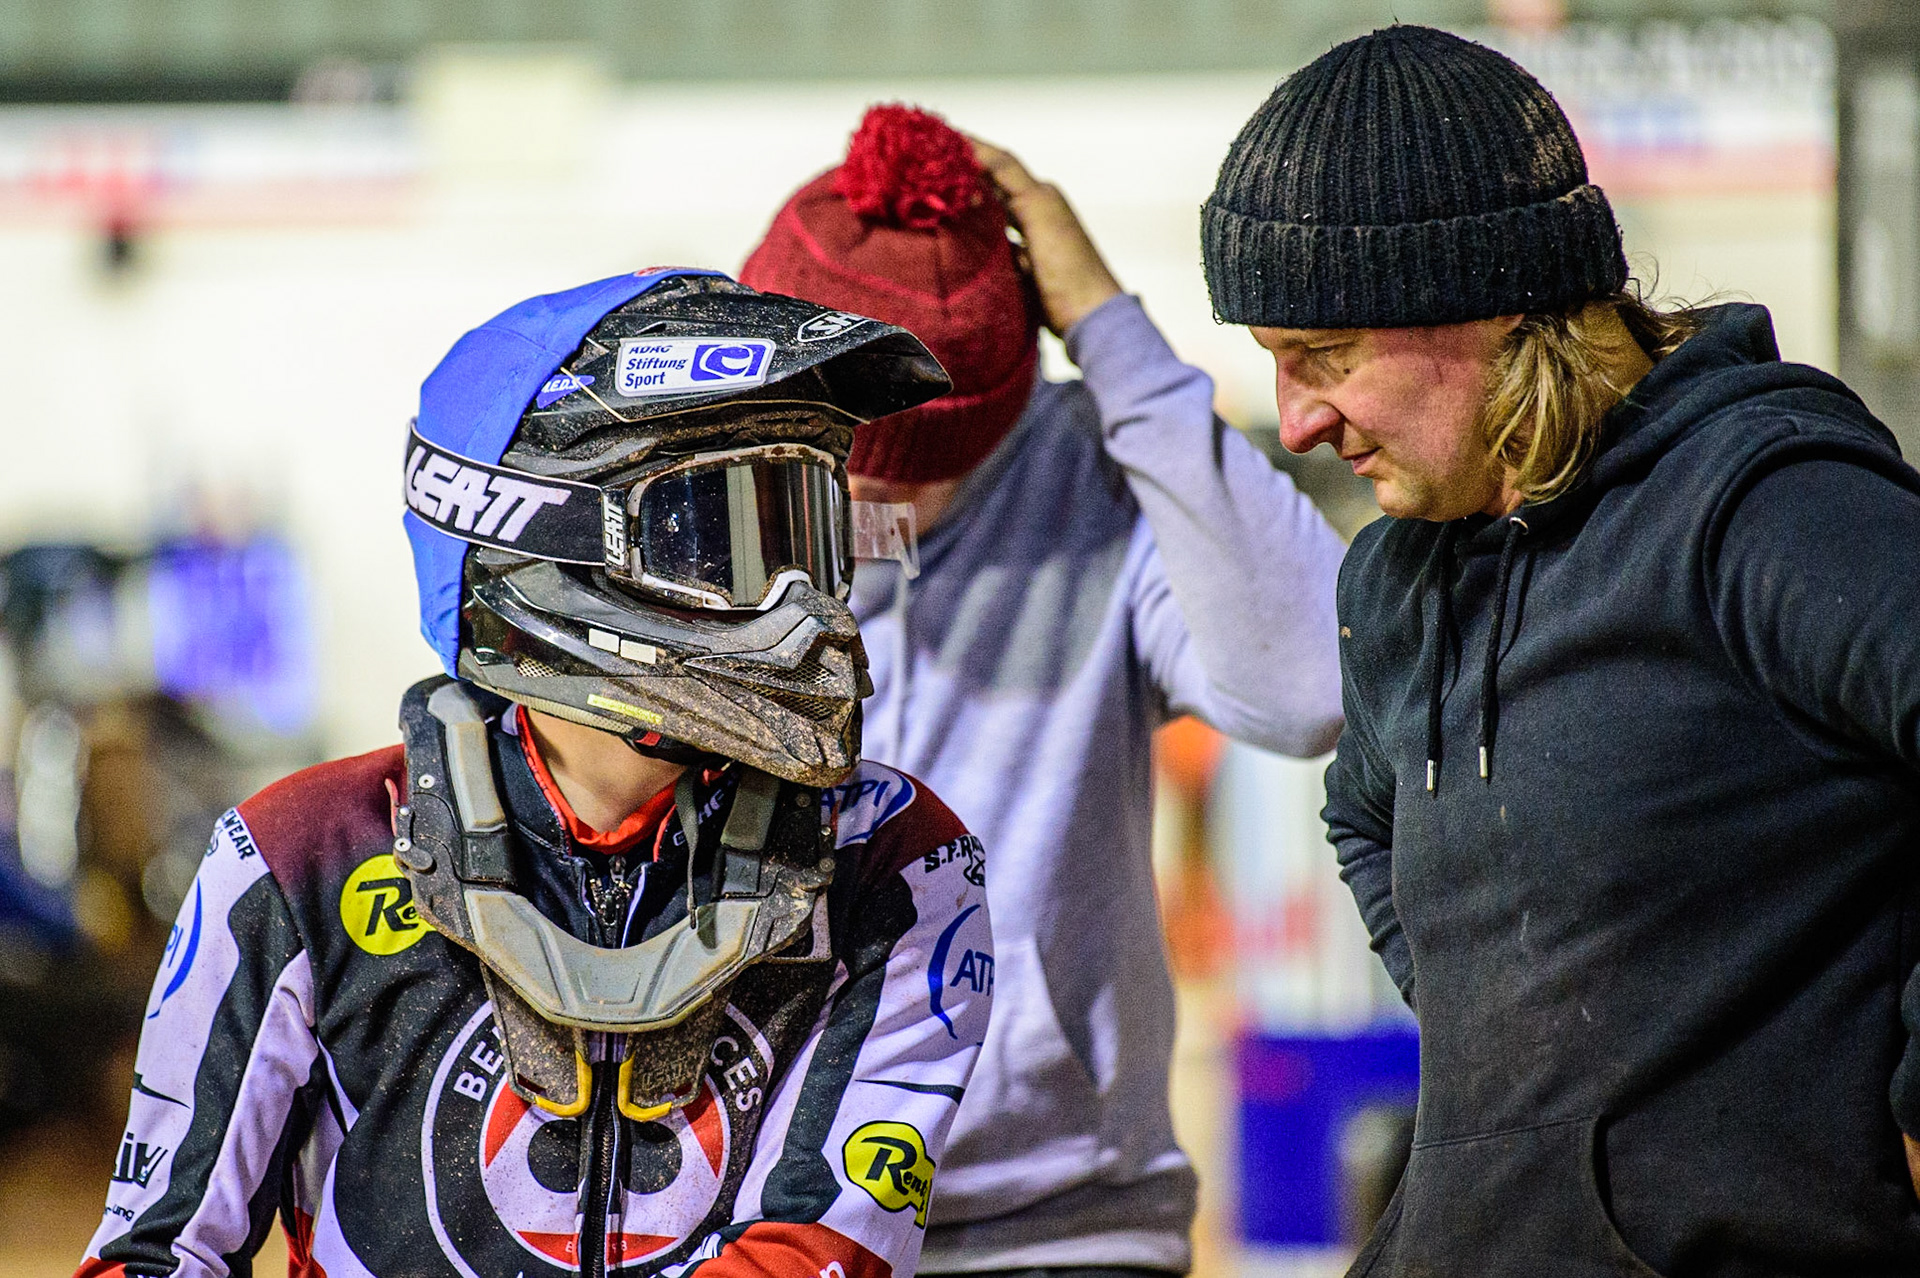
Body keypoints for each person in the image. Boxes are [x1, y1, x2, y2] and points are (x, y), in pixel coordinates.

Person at [75, 269, 996, 1278]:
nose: (802, 607)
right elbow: (154, 1255)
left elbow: (816, 1253)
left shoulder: (891, 863)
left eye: (807, 534)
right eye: (720, 538)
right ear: (536, 545)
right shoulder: (301, 859)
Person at [1202, 24, 1920, 1276]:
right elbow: (1361, 816)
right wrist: (1521, 1098)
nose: (1300, 420)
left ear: (1481, 307)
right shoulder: (1397, 577)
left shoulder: (1763, 507)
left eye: (1323, 358)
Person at [740, 106, 1346, 1276]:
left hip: (1065, 1219)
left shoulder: (1100, 478)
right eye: (839, 458)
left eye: (934, 472)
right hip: (755, 1217)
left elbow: (1312, 684)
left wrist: (1113, 336)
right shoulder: (698, 502)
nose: (884, 506)